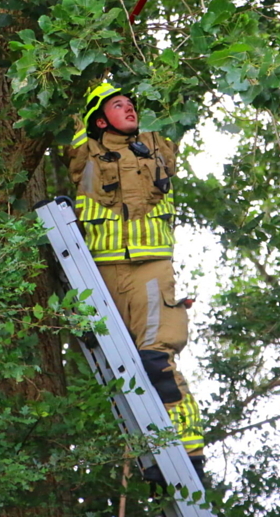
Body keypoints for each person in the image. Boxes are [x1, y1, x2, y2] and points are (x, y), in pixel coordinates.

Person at [65, 81, 206, 483]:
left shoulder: (157, 146)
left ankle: (189, 454)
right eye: (117, 104)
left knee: (156, 361)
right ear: (97, 118)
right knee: (120, 370)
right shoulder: (84, 155)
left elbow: (169, 102)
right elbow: (72, 118)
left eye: (131, 103)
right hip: (101, 275)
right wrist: (92, 66)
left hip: (150, 269)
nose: (129, 108)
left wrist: (139, 71)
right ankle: (150, 454)